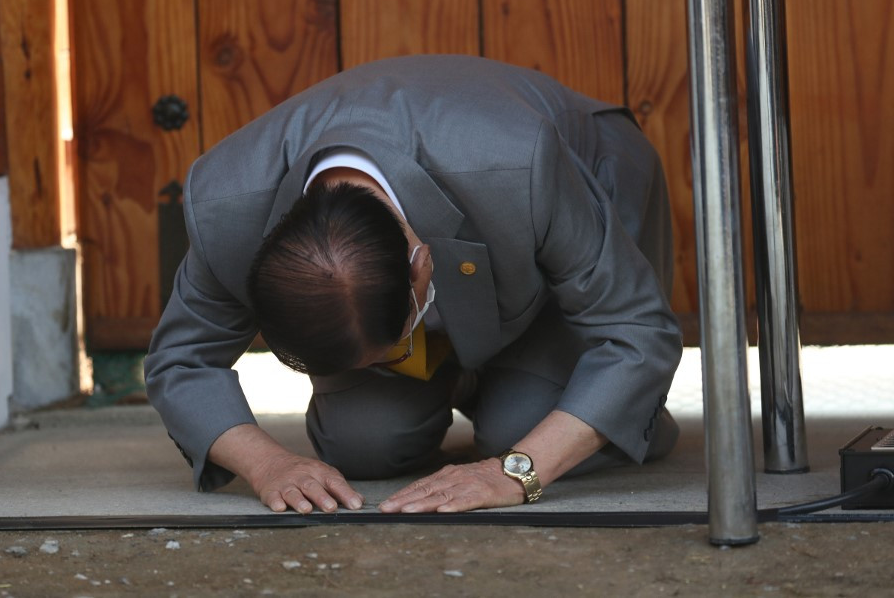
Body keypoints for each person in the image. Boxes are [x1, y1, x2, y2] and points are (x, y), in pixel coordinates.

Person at [144, 54, 682, 515]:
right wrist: (268, 463)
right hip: (446, 238)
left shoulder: (520, 165)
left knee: (518, 428)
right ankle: (479, 383)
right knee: (362, 444)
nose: (387, 367)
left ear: (422, 267)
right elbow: (180, 360)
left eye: (395, 350)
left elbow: (634, 332)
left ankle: (518, 389)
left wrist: (516, 473)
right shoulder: (226, 208)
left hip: (587, 175)